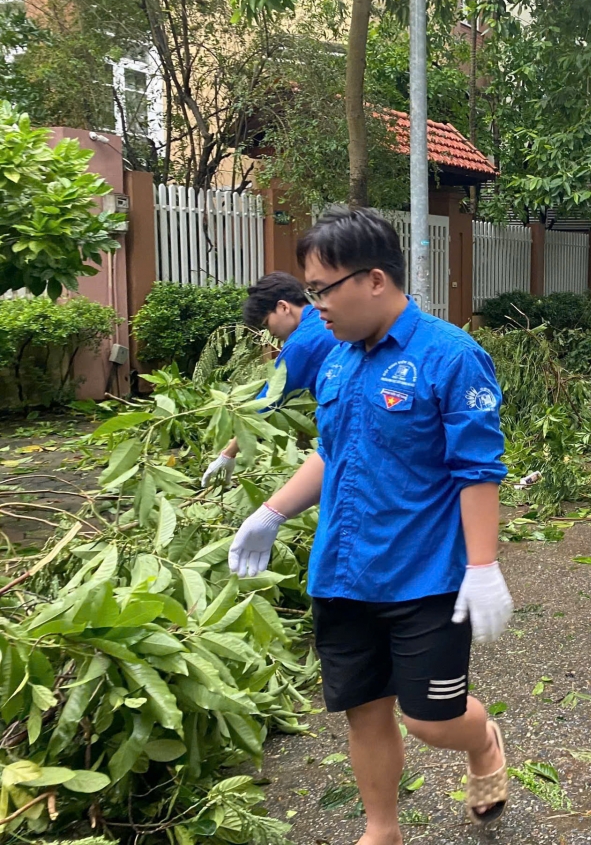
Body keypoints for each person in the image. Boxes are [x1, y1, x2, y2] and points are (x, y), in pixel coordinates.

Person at [227, 207, 514, 837]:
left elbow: (477, 469)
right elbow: (333, 451)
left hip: (425, 578)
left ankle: (482, 738)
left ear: (374, 280)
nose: (315, 307)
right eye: (309, 293)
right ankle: (381, 828)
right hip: (343, 571)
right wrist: (271, 511)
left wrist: (483, 565)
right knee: (363, 710)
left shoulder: (451, 356)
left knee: (431, 720)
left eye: (323, 290)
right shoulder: (334, 356)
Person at [200, 272, 339, 487]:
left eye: (266, 324)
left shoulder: (302, 343)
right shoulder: (321, 323)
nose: (270, 333)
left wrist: (228, 454)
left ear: (283, 307)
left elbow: (268, 402)